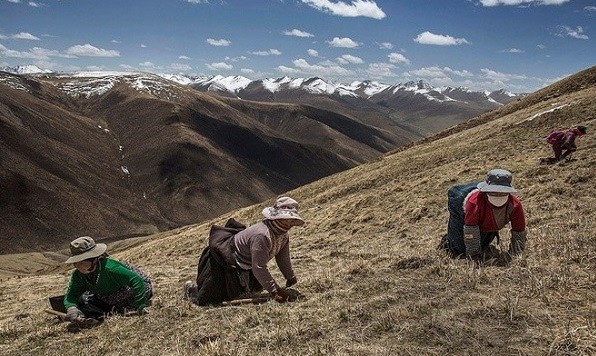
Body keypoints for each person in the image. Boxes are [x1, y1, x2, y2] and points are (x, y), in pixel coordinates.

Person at [185, 196, 304, 305]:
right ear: (277, 217)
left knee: (243, 292)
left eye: (291, 219)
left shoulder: (283, 235)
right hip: (224, 260)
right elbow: (259, 267)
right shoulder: (262, 236)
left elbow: (282, 257)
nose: (289, 222)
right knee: (208, 300)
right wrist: (275, 290)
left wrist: (289, 276)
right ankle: (191, 291)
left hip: (246, 265)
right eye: (286, 218)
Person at [51, 236, 153, 322]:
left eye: (83, 262)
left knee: (110, 304)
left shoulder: (110, 268)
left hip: (131, 289)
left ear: (94, 259)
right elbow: (72, 294)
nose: (79, 266)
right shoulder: (78, 275)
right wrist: (71, 307)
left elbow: (136, 280)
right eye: (76, 263)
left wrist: (140, 305)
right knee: (86, 300)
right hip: (104, 294)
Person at [439, 169, 527, 263]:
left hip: (490, 222)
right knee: (459, 249)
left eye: (502, 192)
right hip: (461, 211)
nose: (498, 194)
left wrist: (515, 255)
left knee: (483, 245)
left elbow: (519, 232)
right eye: (493, 192)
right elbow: (471, 230)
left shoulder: (515, 206)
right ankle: (448, 241)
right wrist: (474, 257)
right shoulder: (474, 203)